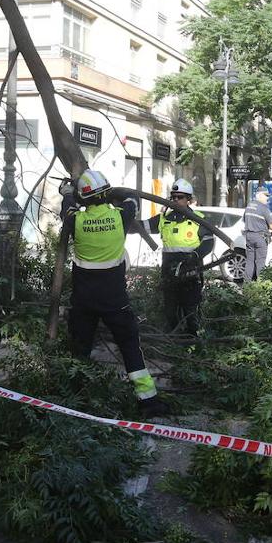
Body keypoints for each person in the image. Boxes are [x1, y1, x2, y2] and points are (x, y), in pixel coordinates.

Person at [62, 169, 170, 416]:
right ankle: (147, 400)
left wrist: (69, 193)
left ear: (83, 199)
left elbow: (67, 207)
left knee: (80, 349)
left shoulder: (75, 220)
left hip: (83, 301)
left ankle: (73, 398)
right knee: (130, 347)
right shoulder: (121, 216)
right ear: (107, 194)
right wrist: (116, 194)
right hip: (115, 300)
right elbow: (132, 198)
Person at [145, 178, 214, 337]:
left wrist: (194, 257)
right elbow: (142, 226)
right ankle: (176, 341)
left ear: (188, 199)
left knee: (191, 311)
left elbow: (208, 243)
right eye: (173, 197)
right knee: (170, 311)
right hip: (169, 274)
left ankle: (194, 342)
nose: (176, 200)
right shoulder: (164, 219)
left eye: (180, 197)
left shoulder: (198, 219)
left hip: (190, 273)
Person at [241, 190, 272, 282]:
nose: (267, 198)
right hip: (260, 237)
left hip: (249, 236)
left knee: (250, 261)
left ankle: (246, 285)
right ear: (259, 195)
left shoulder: (249, 206)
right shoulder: (263, 208)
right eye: (265, 196)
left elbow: (245, 220)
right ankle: (260, 284)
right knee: (260, 262)